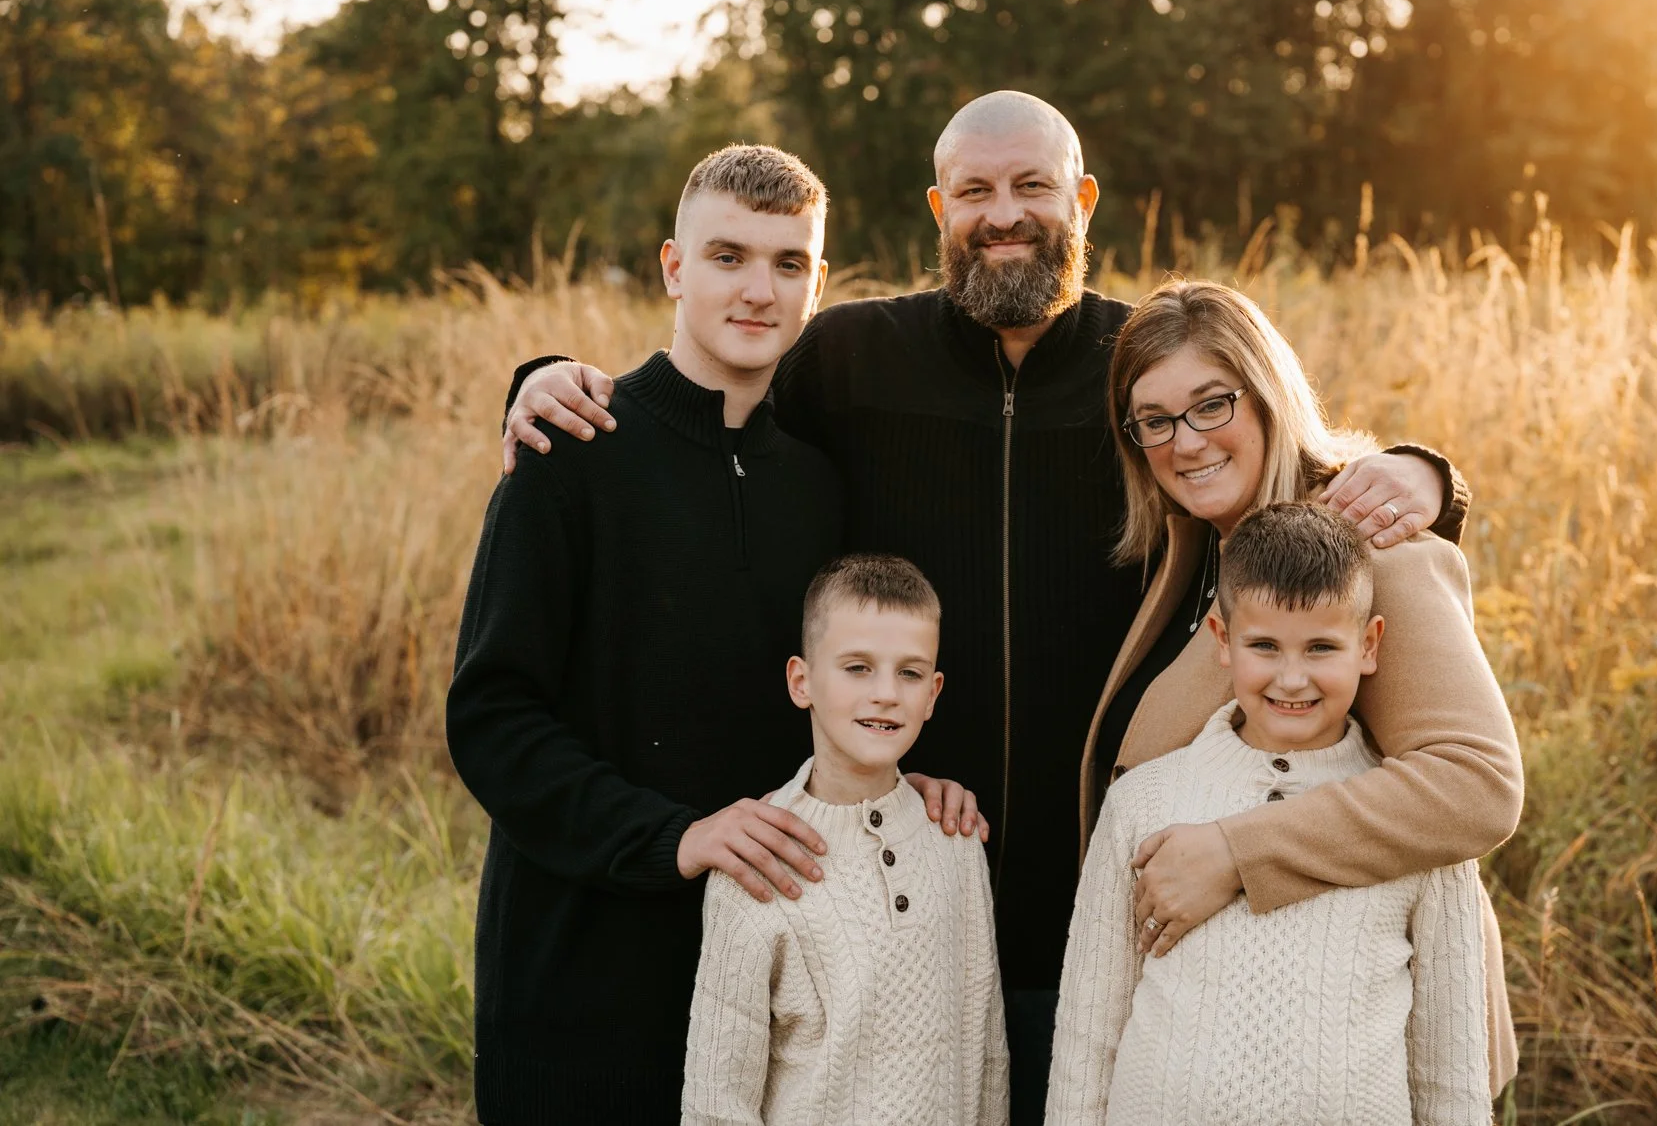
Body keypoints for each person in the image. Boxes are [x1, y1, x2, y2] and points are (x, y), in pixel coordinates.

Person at [496, 92, 1468, 1117]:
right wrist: (545, 381)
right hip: (903, 909)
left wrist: (1428, 478)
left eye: (1032, 186)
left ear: (1082, 199)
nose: (1003, 214)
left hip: (1115, 911)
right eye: (974, 191)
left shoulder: (1141, 365)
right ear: (939, 208)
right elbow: (704, 419)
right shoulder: (849, 358)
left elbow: (1281, 460)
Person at [446, 146, 976, 1124]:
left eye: (787, 263)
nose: (757, 289)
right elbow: (492, 719)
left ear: (817, 282)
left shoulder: (817, 485)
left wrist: (904, 779)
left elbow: (840, 687)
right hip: (580, 978)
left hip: (769, 983)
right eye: (727, 256)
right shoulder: (570, 450)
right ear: (673, 267)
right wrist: (674, 836)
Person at [1081, 279, 1521, 1094]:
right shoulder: (1191, 548)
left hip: (1351, 1047)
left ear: (1267, 394)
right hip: (1208, 1048)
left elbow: (1477, 783)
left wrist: (1237, 851)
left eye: (1212, 404)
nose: (1186, 441)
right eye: (1156, 420)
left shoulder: (1369, 544)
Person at [1048, 502, 1490, 1125]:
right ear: (1223, 642)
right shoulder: (1143, 801)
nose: (1291, 678)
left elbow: (1450, 1071)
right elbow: (1088, 1037)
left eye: (1321, 647)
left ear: (1368, 645)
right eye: (1264, 646)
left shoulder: (1417, 821)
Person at [683, 554, 1007, 1126]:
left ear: (933, 694)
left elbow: (986, 1056)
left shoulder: (955, 842)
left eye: (909, 673)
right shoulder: (755, 856)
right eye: (858, 667)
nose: (886, 693)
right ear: (801, 681)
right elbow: (717, 1103)